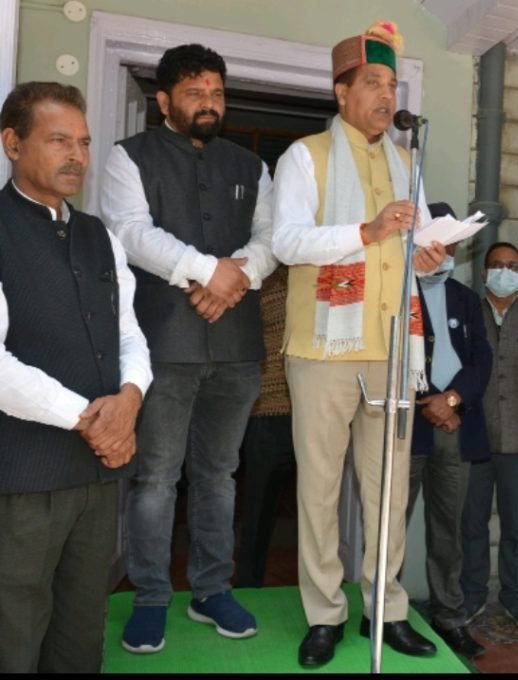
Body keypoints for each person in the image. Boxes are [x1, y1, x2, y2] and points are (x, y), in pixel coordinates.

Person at [271, 19, 446, 667]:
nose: (385, 95)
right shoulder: (305, 156)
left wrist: (430, 257)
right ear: (341, 92)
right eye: (372, 82)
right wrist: (367, 232)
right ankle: (324, 613)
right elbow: (286, 242)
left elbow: (419, 244)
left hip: (394, 345)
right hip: (324, 347)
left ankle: (386, 608)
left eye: (391, 84)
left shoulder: (406, 162)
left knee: (389, 487)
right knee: (319, 487)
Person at [100, 43, 277, 652]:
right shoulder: (129, 156)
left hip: (237, 347)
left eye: (218, 93)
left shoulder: (250, 165)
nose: (210, 103)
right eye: (196, 92)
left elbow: (271, 239)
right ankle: (151, 596)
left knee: (219, 475)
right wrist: (208, 271)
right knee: (155, 477)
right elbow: (130, 232)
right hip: (163, 345)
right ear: (164, 100)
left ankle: (210, 589)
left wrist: (234, 279)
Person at [0, 82, 152, 672]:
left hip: (97, 474)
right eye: (59, 140)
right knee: (14, 630)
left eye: (84, 143)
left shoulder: (100, 236)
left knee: (82, 626)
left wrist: (130, 399)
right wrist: (93, 421)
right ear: (13, 143)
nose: (77, 156)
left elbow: (129, 333)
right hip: (24, 474)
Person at [406, 203, 491, 659]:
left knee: (447, 532)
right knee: (390, 526)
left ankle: (448, 616)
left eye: (451, 241)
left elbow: (481, 361)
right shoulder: (397, 290)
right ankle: (383, 614)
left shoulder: (466, 299)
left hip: (455, 427)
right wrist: (432, 403)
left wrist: (453, 400)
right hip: (406, 427)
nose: (444, 249)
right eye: (436, 239)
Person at [461, 240, 518, 632]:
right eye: (497, 265)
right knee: (472, 523)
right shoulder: (469, 313)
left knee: (516, 527)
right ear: (484, 273)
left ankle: (516, 598)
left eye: (513, 266)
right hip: (474, 436)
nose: (504, 272)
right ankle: (471, 595)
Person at [236, 265, 295, 588]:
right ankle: (249, 583)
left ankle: (311, 585)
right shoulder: (261, 278)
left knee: (314, 504)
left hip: (314, 408)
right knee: (258, 506)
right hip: (267, 409)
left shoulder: (316, 274)